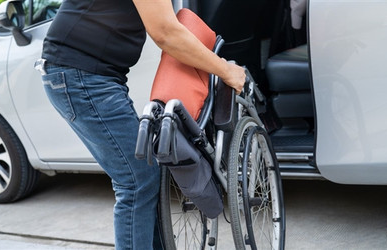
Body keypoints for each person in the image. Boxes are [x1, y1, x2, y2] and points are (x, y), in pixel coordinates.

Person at [35, 0, 245, 249]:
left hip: (88, 76)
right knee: (137, 180)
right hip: (82, 77)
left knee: (144, 176)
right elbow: (165, 32)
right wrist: (225, 70)